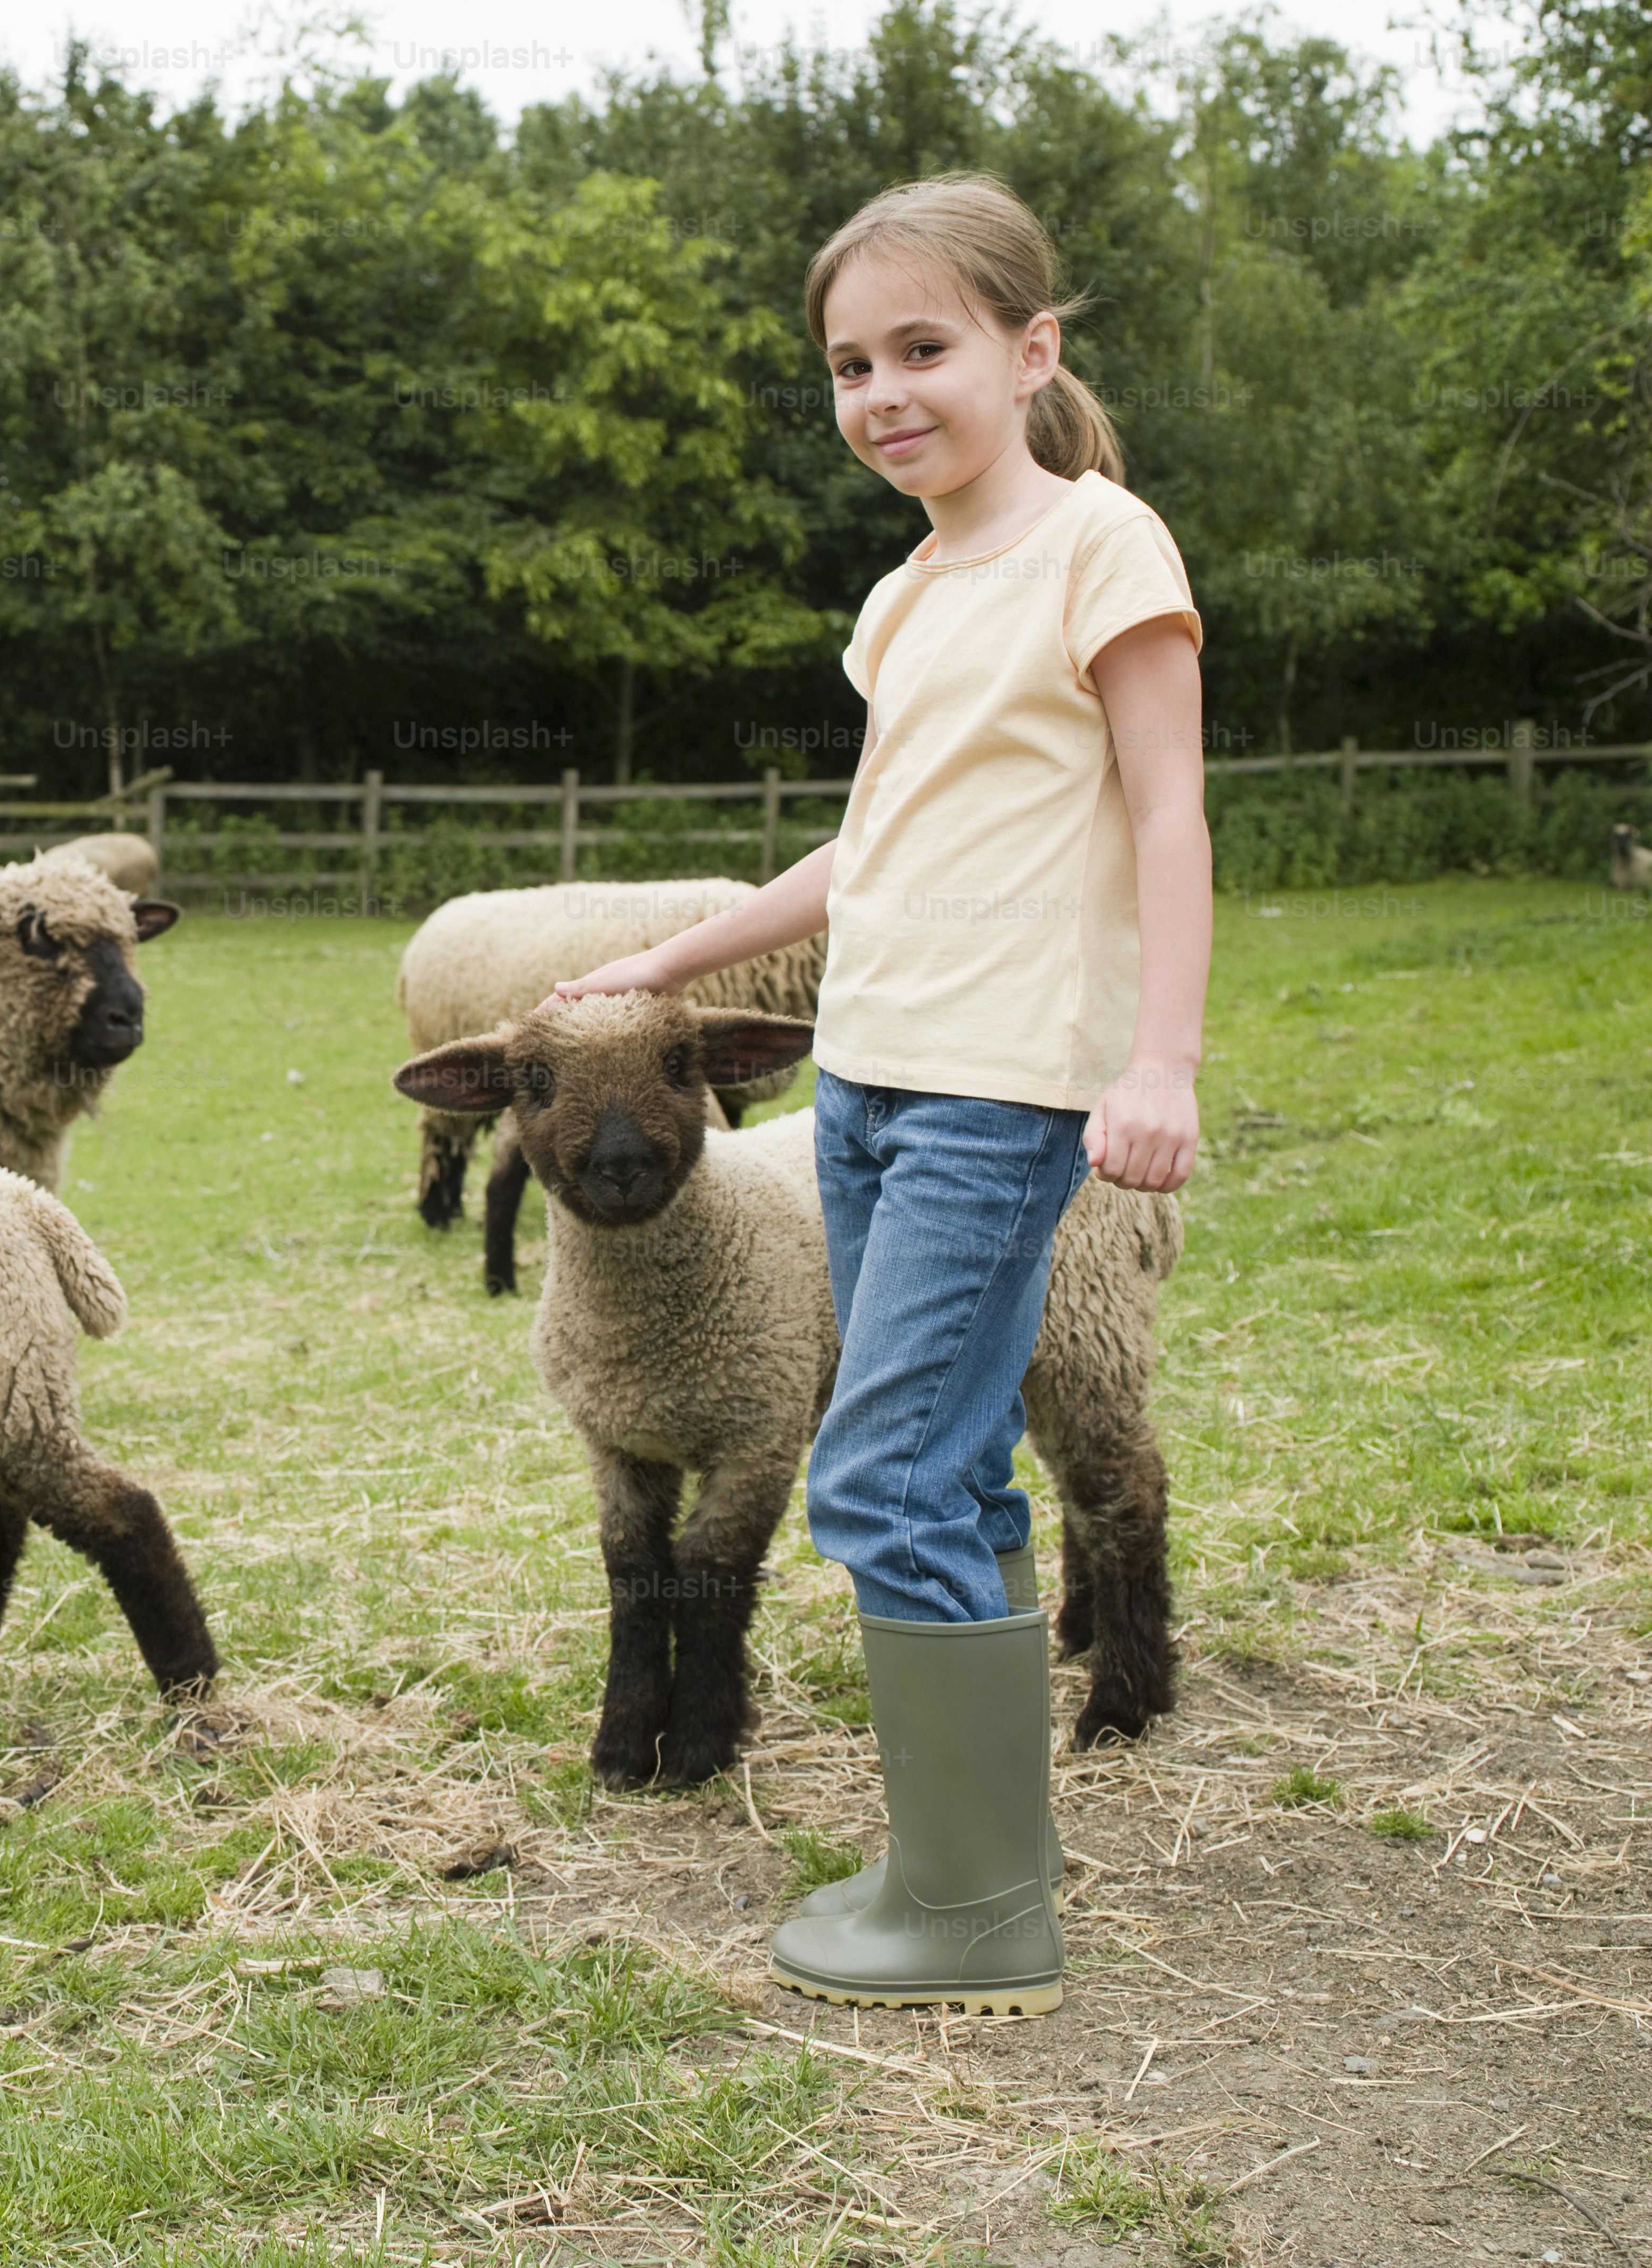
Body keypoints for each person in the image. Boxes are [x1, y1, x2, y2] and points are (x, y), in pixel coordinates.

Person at [553, 172, 1208, 2017]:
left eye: (922, 348)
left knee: (881, 1470)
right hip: (863, 1084)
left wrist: (1155, 1057)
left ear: (1029, 347)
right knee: (955, 1459)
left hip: (1003, 1096)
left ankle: (975, 1912)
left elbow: (1166, 808)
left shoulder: (1101, 548)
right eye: (850, 364)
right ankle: (968, 1859)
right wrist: (665, 963)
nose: (883, 392)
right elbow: (860, 852)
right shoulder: (905, 592)